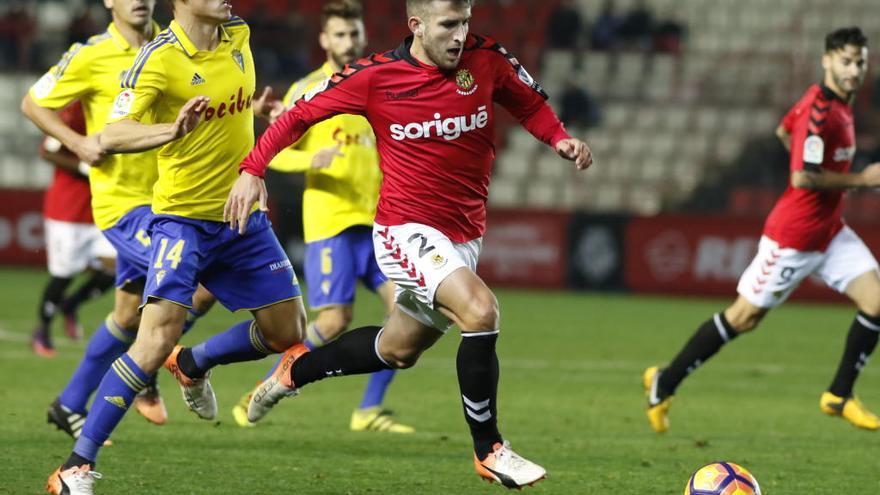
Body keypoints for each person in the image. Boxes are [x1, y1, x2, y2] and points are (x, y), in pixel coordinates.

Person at [225, 0, 592, 488]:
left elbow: (530, 104)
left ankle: (295, 370)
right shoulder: (375, 76)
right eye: (448, 25)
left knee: (398, 350)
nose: (460, 34)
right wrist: (253, 169)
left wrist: (560, 139)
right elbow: (297, 117)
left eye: (465, 22)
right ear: (416, 26)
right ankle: (490, 449)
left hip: (464, 235)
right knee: (480, 312)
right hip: (405, 230)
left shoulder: (488, 60)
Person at [45, 0, 302, 492]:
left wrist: (254, 124)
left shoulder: (239, 34)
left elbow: (224, 115)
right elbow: (113, 133)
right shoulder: (158, 58)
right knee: (153, 335)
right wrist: (171, 130)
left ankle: (192, 363)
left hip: (240, 217)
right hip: (182, 222)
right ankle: (74, 467)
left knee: (286, 331)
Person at [644, 27, 880, 434]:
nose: (855, 69)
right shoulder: (820, 110)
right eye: (846, 60)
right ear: (826, 60)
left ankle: (839, 394)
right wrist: (862, 181)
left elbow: (783, 131)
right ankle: (665, 381)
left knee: (877, 302)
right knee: (744, 318)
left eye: (860, 61)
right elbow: (803, 179)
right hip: (794, 237)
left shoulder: (837, 105)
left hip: (830, 232)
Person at [21, 0, 220, 445]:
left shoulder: (179, 46)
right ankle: (150, 368)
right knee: (201, 283)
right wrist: (77, 143)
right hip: (125, 207)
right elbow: (33, 102)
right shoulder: (90, 54)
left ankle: (70, 403)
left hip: (172, 199)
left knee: (128, 315)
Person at [230, 0, 413, 434]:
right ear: (324, 40)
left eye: (355, 33)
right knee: (333, 321)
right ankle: (266, 385)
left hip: (377, 223)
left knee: (407, 313)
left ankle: (368, 409)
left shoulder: (377, 83)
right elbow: (278, 154)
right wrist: (313, 162)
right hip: (331, 223)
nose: (349, 42)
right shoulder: (308, 89)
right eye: (340, 34)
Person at [30, 100, 116, 358]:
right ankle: (42, 330)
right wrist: (84, 167)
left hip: (102, 208)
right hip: (67, 211)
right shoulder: (76, 110)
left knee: (117, 268)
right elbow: (48, 151)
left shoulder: (119, 104)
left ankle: (71, 305)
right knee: (64, 273)